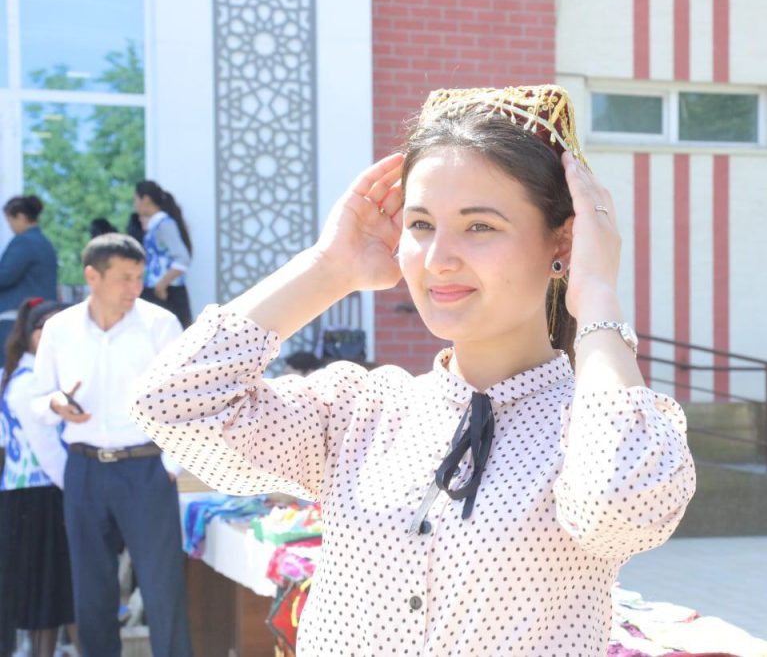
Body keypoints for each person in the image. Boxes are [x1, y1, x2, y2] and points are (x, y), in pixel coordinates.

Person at [131, 85, 696, 656]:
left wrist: (596, 294)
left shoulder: (599, 428)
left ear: (563, 242)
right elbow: (174, 403)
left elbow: (622, 508)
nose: (437, 258)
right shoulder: (360, 410)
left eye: (479, 226)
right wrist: (327, 268)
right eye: (421, 224)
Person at [27, 234, 192, 657]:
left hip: (146, 468)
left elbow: (184, 402)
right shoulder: (60, 330)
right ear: (91, 277)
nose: (134, 288)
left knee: (163, 590)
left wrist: (170, 467)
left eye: (138, 277)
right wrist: (57, 403)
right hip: (84, 470)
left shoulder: (160, 325)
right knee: (91, 596)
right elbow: (36, 399)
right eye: (124, 278)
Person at [0, 298, 76, 657]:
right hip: (40, 493)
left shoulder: (23, 377)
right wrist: (78, 491)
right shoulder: (28, 382)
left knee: (55, 592)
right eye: (46, 329)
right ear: (31, 334)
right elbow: (45, 448)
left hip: (33, 492)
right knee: (48, 594)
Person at [0, 196, 58, 365]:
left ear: (21, 217)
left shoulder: (24, 242)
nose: (10, 226)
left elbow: (4, 276)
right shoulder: (45, 243)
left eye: (10, 220)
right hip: (38, 316)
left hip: (17, 317)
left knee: (8, 370)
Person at [134, 180, 193, 329]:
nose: (135, 205)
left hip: (167, 294)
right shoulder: (155, 225)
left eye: (135, 200)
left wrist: (161, 285)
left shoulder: (164, 225)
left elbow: (182, 258)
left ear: (145, 199)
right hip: (158, 293)